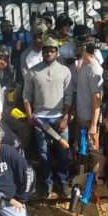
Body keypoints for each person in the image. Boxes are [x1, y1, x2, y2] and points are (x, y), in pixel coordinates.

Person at [23, 35, 73, 197]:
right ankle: (48, 184)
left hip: (59, 117)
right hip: (40, 119)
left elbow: (68, 97)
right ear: (42, 51)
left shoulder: (65, 71)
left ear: (57, 52)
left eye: (52, 50)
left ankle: (64, 183)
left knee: (63, 152)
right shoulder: (33, 71)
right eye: (46, 50)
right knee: (43, 154)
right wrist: (30, 116)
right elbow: (27, 96)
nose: (49, 53)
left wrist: (65, 118)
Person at [75, 36, 103, 152]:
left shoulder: (94, 69)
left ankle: (93, 171)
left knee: (92, 153)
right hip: (82, 118)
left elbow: (97, 100)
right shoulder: (84, 65)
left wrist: (93, 125)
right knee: (82, 152)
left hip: (89, 120)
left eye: (80, 47)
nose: (77, 49)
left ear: (84, 48)